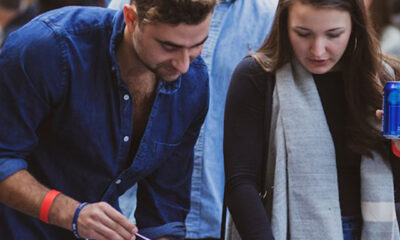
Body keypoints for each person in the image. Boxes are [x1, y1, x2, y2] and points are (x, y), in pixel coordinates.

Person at [0, 0, 216, 239]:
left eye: (198, 45)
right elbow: (2, 158)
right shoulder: (49, 47)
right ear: (131, 19)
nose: (183, 65)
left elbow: (165, 209)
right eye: (168, 46)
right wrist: (71, 213)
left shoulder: (193, 83)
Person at [224, 0, 400, 239]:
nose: (318, 50)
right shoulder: (257, 76)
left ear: (355, 25)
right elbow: (241, 182)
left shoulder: (383, 81)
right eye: (303, 34)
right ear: (284, 24)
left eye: (334, 35)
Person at [108, 0, 279, 239]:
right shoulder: (132, 6)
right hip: (124, 220)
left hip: (220, 216)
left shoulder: (268, 16)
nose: (184, 64)